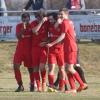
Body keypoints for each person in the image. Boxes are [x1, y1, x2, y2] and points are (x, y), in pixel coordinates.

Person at [46, 8, 87, 94]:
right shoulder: (64, 22)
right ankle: (73, 88)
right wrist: (58, 22)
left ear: (66, 14)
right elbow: (55, 27)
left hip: (71, 48)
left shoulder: (66, 22)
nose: (60, 16)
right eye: (59, 14)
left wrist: (52, 43)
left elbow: (62, 36)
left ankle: (82, 84)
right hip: (67, 48)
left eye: (62, 14)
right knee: (67, 69)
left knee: (69, 68)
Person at [13, 12, 34, 92]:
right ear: (22, 19)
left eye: (27, 18)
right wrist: (22, 29)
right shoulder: (19, 26)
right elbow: (18, 37)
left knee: (30, 69)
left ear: (29, 18)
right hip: (20, 50)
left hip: (29, 51)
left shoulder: (32, 26)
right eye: (24, 18)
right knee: (15, 66)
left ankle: (32, 84)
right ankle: (20, 85)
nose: (25, 20)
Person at [46, 12, 66, 92]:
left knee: (61, 69)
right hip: (51, 51)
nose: (50, 21)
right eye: (49, 19)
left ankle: (61, 87)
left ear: (56, 18)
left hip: (61, 50)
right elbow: (49, 37)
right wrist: (47, 42)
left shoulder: (62, 25)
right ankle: (51, 86)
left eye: (51, 19)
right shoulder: (49, 25)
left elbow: (63, 36)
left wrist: (52, 43)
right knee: (51, 68)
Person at [31, 9, 48, 92]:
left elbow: (51, 35)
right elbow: (34, 31)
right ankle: (38, 86)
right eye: (37, 17)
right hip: (34, 48)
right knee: (35, 68)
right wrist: (41, 22)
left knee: (42, 66)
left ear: (43, 17)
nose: (38, 18)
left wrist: (46, 42)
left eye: (40, 17)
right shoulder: (33, 23)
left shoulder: (47, 23)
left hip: (43, 48)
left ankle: (44, 83)